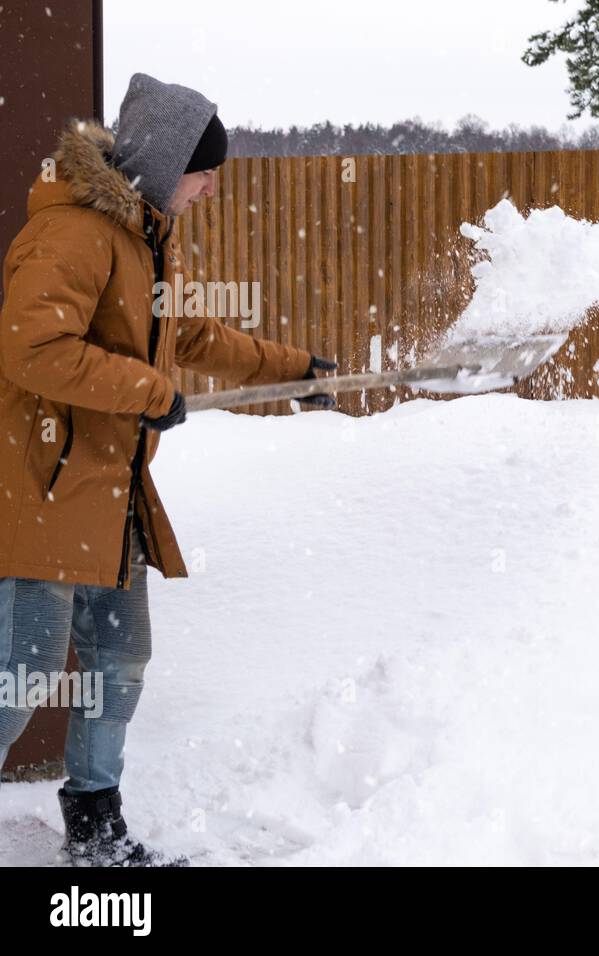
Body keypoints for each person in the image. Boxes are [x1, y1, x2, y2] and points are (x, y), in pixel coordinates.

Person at [0, 73, 337, 866]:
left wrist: (296, 370)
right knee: (21, 675)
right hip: (46, 490)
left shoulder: (143, 238)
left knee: (118, 663)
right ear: (160, 162)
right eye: (204, 171)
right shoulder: (73, 235)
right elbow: (31, 349)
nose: (212, 189)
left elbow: (187, 336)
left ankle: (94, 827)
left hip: (113, 495)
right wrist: (146, 391)